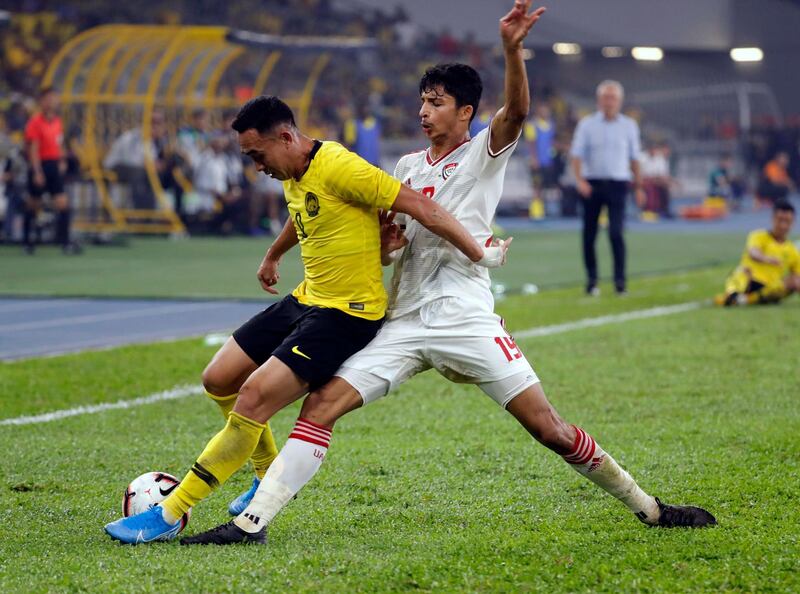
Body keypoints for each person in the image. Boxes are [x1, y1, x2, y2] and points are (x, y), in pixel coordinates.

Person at [181, 1, 715, 547]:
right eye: (422, 102)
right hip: (405, 318)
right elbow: (392, 245)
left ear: (465, 112)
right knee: (321, 405)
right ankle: (251, 524)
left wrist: (511, 49)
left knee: (547, 428)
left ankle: (649, 508)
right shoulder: (407, 167)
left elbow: (516, 113)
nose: (424, 111)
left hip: (463, 314)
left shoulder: (484, 153)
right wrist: (386, 248)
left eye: (436, 103)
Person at [104, 95, 508, 544]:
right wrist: (273, 254)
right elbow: (301, 214)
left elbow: (422, 206)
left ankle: (169, 513)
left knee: (254, 397)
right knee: (218, 378)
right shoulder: (290, 169)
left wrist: (480, 254)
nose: (257, 166)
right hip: (307, 299)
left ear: (286, 137)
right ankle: (262, 475)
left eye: (258, 155)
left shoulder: (340, 165)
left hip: (347, 314)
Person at [570, 80, 644, 295]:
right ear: (598, 100)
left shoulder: (629, 125)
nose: (609, 102)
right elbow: (576, 155)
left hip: (618, 184)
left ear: (619, 101)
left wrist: (639, 187)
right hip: (592, 185)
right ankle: (592, 281)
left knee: (616, 233)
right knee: (589, 235)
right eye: (605, 97)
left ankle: (620, 282)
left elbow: (635, 158)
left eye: (613, 98)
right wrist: (580, 180)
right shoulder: (587, 125)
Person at [23, 87, 80, 254]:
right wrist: (37, 171)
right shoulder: (35, 123)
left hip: (53, 166)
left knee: (63, 204)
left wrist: (61, 160)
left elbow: (59, 143)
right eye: (48, 98)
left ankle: (65, 242)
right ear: (42, 101)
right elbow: (33, 149)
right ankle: (27, 242)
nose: (52, 102)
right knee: (33, 205)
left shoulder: (57, 122)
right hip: (40, 165)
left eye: (54, 98)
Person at [716, 200, 800, 306]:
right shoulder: (758, 236)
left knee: (793, 281)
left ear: (793, 223)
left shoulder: (792, 250)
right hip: (750, 280)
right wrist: (767, 259)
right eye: (780, 220)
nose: (783, 226)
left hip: (770, 288)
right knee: (741, 271)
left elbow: (797, 276)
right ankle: (733, 294)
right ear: (772, 219)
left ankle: (742, 300)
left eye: (787, 222)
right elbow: (753, 252)